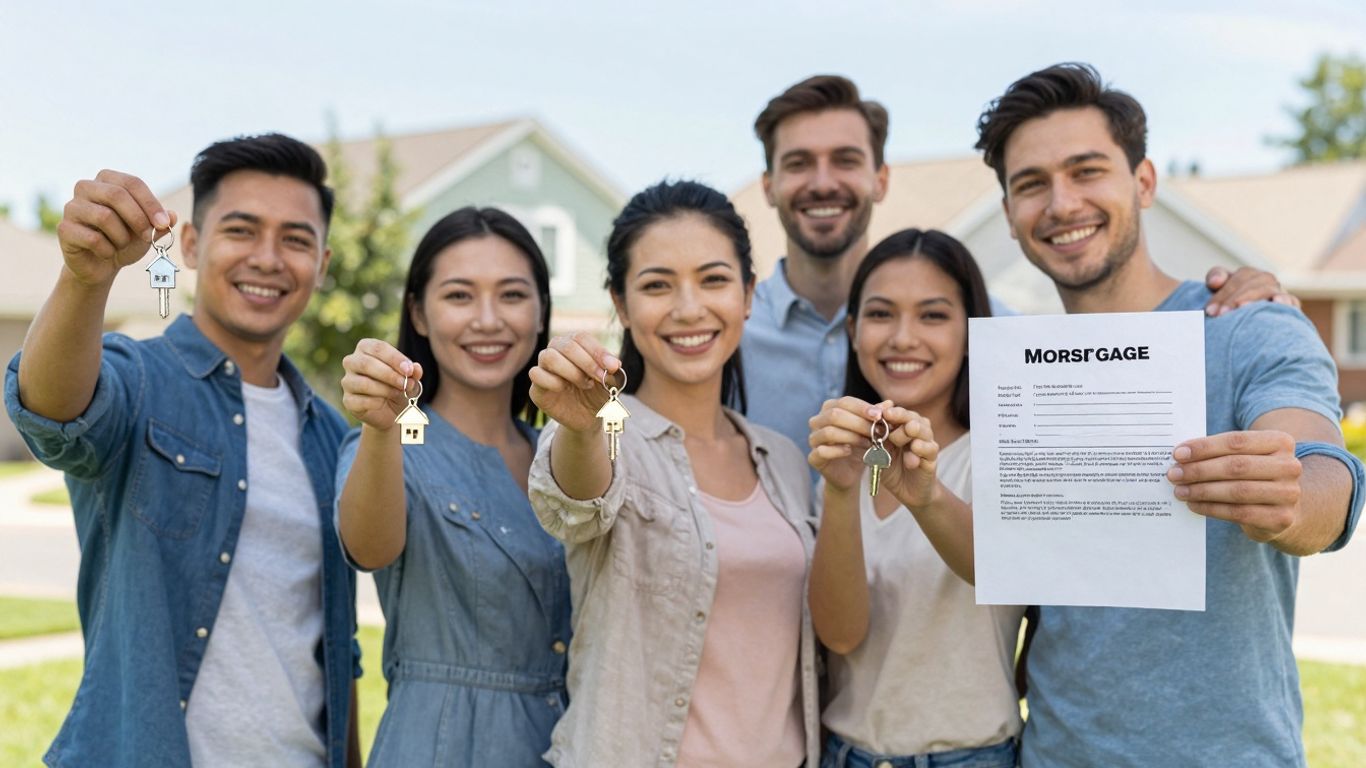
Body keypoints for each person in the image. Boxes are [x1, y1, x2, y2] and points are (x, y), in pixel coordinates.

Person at [971, 63, 1365, 766]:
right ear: (1008, 214)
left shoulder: (1249, 327)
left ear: (1144, 182)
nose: (1061, 203)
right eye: (1031, 183)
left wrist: (1288, 498)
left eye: (1086, 170)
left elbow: (1324, 478)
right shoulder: (1013, 369)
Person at [4, 134, 360, 768]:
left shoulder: (335, 437)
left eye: (296, 240)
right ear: (191, 244)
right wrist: (85, 278)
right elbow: (52, 411)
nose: (269, 258)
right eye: (242, 230)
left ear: (323, 262)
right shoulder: (138, 378)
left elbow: (335, 649)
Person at [744, 74, 1299, 457]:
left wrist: (1265, 301)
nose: (822, 182)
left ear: (881, 179)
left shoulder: (1007, 346)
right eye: (798, 164)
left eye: (845, 160)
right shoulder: (726, 339)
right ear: (768, 185)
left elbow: (1316, 474)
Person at [526, 180, 820, 767]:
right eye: (657, 285)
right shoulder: (603, 430)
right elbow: (577, 500)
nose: (689, 308)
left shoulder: (782, 458)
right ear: (621, 304)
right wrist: (582, 427)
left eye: (713, 280)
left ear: (748, 296)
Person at [334, 207, 570, 765]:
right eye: (459, 296)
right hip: (442, 746)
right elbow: (368, 548)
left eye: (512, 295)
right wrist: (379, 426)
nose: (488, 320)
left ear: (541, 312)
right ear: (418, 312)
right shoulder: (387, 445)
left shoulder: (559, 455)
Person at [806, 228, 1020, 768]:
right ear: (853, 331)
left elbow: (997, 568)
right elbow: (841, 634)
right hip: (848, 755)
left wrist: (924, 497)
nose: (903, 337)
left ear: (971, 332)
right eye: (881, 315)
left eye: (932, 315)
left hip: (974, 757)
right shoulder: (838, 465)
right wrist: (838, 491)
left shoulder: (1003, 453)